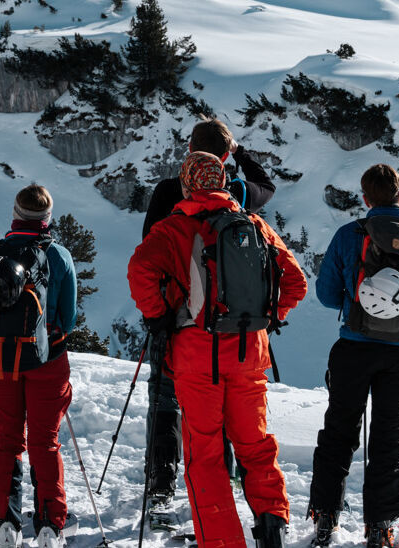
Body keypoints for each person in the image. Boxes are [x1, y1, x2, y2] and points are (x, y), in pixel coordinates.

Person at [127, 152, 306, 548]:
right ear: (224, 180)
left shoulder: (175, 226)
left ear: (188, 183)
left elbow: (139, 268)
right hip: (248, 352)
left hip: (196, 358)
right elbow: (295, 281)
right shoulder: (253, 225)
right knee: (255, 446)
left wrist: (157, 316)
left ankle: (223, 541)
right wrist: (268, 316)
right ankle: (272, 525)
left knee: (205, 457)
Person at [136, 118, 278, 513]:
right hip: (232, 325)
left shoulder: (168, 192)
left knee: (164, 396)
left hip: (176, 320)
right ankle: (227, 481)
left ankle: (161, 483)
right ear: (226, 154)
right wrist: (243, 155)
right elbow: (267, 186)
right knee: (226, 404)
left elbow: (147, 248)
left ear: (189, 150)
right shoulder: (237, 194)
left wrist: (156, 313)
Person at [309, 164, 399, 548]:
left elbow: (328, 295)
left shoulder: (349, 235)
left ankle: (326, 514)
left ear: (365, 198)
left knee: (339, 430)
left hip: (353, 346)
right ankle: (381, 523)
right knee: (388, 435)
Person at [0, 184, 78, 548]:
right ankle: (51, 525)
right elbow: (69, 316)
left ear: (15, 215)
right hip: (46, 361)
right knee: (44, 442)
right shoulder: (59, 256)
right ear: (47, 219)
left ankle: (5, 521)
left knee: (7, 440)